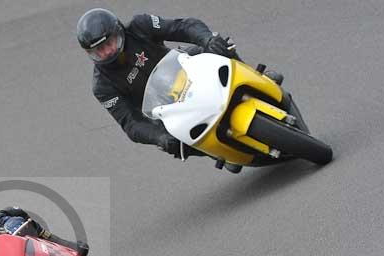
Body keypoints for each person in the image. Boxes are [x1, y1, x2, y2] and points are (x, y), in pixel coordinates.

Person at [77, 8, 282, 162]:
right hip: (167, 109)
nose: (106, 52)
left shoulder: (141, 26)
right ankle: (223, 153)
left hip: (187, 68)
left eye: (108, 43)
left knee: (219, 46)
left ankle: (257, 77)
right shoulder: (102, 87)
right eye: (99, 50)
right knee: (175, 144)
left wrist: (207, 39)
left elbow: (184, 26)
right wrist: (159, 137)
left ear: (118, 31)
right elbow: (130, 124)